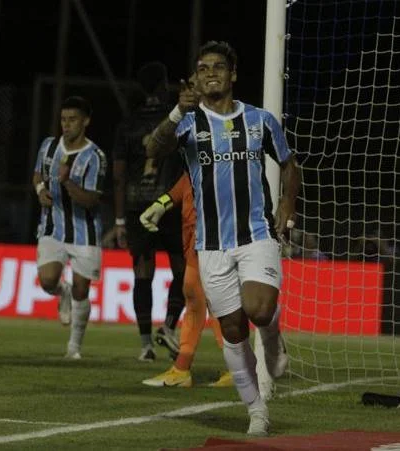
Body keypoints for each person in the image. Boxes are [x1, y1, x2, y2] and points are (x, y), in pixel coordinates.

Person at [146, 41, 300, 436]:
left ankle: (273, 338)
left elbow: (288, 162)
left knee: (260, 309)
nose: (210, 72)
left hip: (256, 234)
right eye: (202, 68)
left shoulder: (259, 120)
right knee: (232, 330)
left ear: (232, 75)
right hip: (211, 245)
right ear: (195, 79)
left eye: (218, 67)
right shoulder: (188, 123)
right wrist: (179, 108)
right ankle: (256, 411)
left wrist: (287, 206)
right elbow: (153, 147)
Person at [112, 61, 187, 362]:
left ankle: (145, 346)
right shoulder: (177, 118)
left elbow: (118, 175)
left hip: (136, 204)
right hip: (170, 203)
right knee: (182, 269)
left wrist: (118, 220)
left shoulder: (127, 124)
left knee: (143, 272)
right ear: (164, 83)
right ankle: (169, 325)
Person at [139, 172, 233, 388]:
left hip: (216, 234)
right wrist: (161, 204)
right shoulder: (196, 158)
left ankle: (239, 368)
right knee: (194, 296)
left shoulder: (218, 150)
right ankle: (183, 369)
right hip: (195, 235)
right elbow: (185, 183)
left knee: (215, 300)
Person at [31, 96, 106, 360]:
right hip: (52, 226)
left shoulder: (95, 157)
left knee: (82, 290)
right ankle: (61, 293)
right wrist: (40, 189)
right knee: (47, 280)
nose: (66, 125)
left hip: (85, 232)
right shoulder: (49, 146)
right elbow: (38, 174)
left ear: (85, 121)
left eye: (73, 119)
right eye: (63, 119)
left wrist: (67, 183)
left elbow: (92, 200)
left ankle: (74, 348)